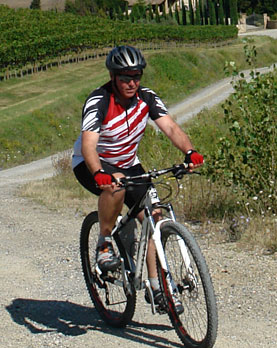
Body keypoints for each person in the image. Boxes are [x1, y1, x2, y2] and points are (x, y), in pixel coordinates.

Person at [72, 45, 203, 309]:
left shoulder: (147, 98)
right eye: (125, 78)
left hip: (129, 163)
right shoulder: (99, 101)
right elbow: (88, 145)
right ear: (113, 77)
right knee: (115, 185)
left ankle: (156, 288)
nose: (132, 83)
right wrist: (98, 173)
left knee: (154, 217)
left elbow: (170, 127)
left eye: (136, 76)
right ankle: (104, 243)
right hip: (91, 163)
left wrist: (190, 152)